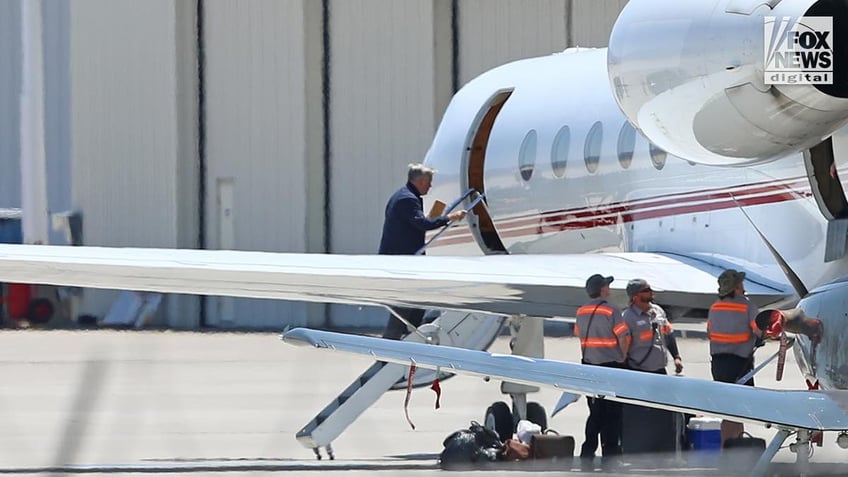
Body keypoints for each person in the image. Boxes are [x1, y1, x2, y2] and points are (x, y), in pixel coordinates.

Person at [379, 163, 466, 339]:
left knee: (414, 304)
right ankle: (392, 345)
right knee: (404, 306)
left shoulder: (404, 196)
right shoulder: (408, 199)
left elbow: (415, 223)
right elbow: (422, 224)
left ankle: (409, 337)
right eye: (429, 182)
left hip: (402, 260)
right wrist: (450, 217)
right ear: (420, 181)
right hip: (402, 263)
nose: (431, 186)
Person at [574, 274, 629, 470]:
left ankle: (587, 453)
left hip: (589, 366)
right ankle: (611, 455)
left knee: (595, 413)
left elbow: (579, 335)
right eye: (607, 286)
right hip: (610, 367)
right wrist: (623, 358)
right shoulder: (611, 310)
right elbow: (623, 336)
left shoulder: (581, 311)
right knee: (612, 415)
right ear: (603, 289)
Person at [707, 269, 763, 446]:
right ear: (737, 287)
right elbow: (759, 330)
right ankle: (731, 451)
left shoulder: (715, 306)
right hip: (739, 364)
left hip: (718, 364)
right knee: (738, 409)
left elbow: (710, 331)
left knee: (728, 409)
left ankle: (730, 447)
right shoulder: (746, 306)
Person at [622, 279, 683, 374]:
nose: (651, 292)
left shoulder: (658, 310)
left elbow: (668, 334)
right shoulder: (628, 317)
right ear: (635, 296)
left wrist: (676, 357)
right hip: (638, 371)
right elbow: (622, 347)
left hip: (660, 370)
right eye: (646, 290)